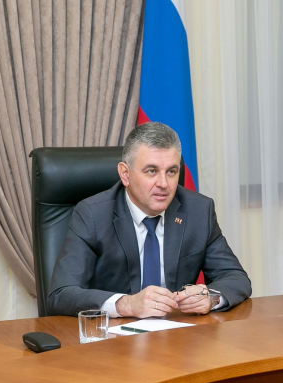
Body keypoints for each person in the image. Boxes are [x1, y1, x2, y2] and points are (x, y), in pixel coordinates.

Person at [47, 122, 251, 317]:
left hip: (177, 333)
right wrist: (126, 304)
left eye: (171, 171)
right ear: (125, 174)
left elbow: (236, 278)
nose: (163, 183)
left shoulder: (198, 210)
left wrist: (211, 297)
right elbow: (61, 294)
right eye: (152, 171)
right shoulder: (93, 214)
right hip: (114, 335)